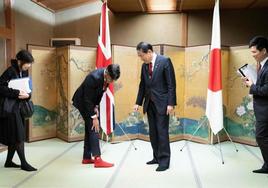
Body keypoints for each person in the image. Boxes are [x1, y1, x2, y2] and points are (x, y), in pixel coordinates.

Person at [134, 42, 176, 171]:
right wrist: (138, 102)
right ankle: (156, 157)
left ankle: (164, 161)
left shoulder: (165, 61)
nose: (140, 58)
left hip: (163, 104)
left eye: (141, 55)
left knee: (162, 132)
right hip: (149, 103)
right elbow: (143, 85)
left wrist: (170, 103)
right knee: (153, 132)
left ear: (149, 52)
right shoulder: (144, 66)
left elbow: (171, 84)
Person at [72, 64, 120, 168]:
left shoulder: (106, 78)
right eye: (110, 79)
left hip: (90, 102)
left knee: (90, 127)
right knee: (94, 127)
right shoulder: (93, 77)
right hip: (82, 101)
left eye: (113, 80)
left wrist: (96, 107)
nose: (111, 82)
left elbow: (100, 94)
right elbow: (87, 99)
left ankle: (86, 157)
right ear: (106, 73)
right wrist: (93, 117)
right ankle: (97, 159)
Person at [0, 50, 37, 171]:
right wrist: (16, 93)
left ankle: (9, 161)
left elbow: (28, 89)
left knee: (14, 135)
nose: (28, 65)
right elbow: (0, 88)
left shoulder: (24, 71)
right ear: (19, 61)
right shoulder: (10, 71)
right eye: (27, 63)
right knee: (19, 136)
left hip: (19, 108)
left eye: (30, 63)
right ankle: (24, 163)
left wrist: (28, 95)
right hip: (10, 109)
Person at [243, 36, 268, 174]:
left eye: (254, 52)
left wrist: (251, 86)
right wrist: (251, 82)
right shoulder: (263, 65)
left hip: (266, 110)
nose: (252, 55)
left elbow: (266, 90)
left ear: (263, 50)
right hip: (262, 109)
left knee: (261, 136)